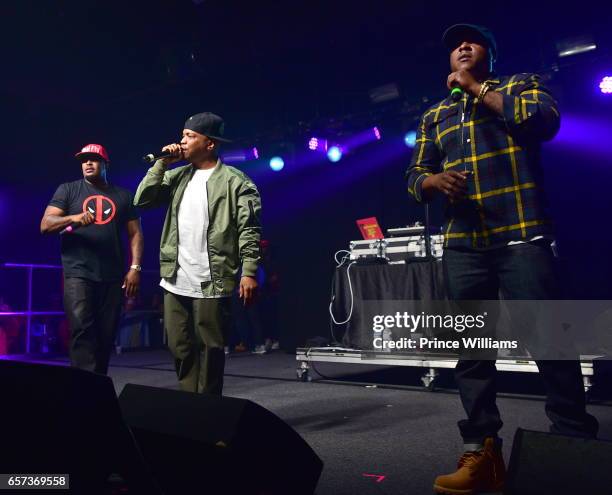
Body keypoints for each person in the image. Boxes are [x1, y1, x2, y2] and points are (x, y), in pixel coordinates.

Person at [405, 24, 598, 494]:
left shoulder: (520, 85)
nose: (463, 47)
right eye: (455, 44)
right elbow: (415, 175)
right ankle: (481, 452)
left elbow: (542, 123)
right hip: (464, 243)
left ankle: (572, 444)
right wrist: (434, 182)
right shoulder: (434, 116)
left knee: (549, 341)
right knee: (471, 352)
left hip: (521, 234)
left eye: (473, 42)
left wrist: (476, 89)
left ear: (490, 55)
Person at [134, 112, 262, 395]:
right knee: (178, 345)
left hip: (211, 278)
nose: (182, 141)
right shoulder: (177, 175)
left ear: (210, 143)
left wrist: (249, 272)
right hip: (175, 276)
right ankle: (189, 404)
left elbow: (249, 230)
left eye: (190, 136)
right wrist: (161, 163)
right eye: (183, 135)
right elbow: (141, 200)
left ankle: (208, 410)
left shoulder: (236, 182)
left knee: (211, 348)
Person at [41, 144, 143, 374]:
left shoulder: (123, 196)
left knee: (106, 334)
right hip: (79, 273)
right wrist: (74, 218)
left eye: (94, 159)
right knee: (82, 330)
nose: (88, 163)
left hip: (112, 275)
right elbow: (45, 225)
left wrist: (135, 267)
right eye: (84, 160)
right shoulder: (68, 190)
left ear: (106, 164)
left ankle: (97, 387)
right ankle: (82, 391)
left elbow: (135, 233)